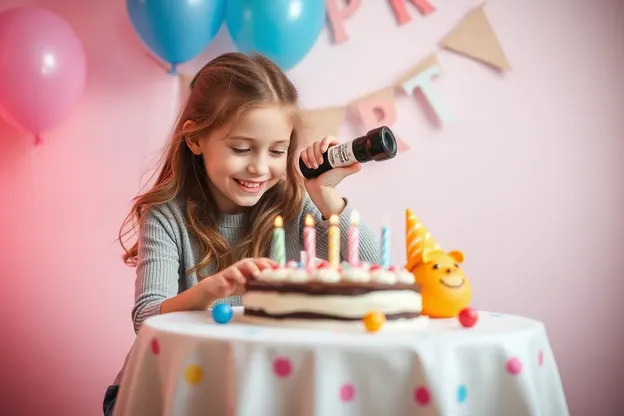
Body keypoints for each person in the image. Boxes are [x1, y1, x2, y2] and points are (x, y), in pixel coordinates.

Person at [103, 52, 380, 415]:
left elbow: (372, 269)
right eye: (241, 148)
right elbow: (147, 318)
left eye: (277, 151)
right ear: (196, 139)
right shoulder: (166, 216)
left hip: (257, 393)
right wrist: (211, 290)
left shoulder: (295, 209)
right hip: (168, 393)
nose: (259, 167)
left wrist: (325, 196)